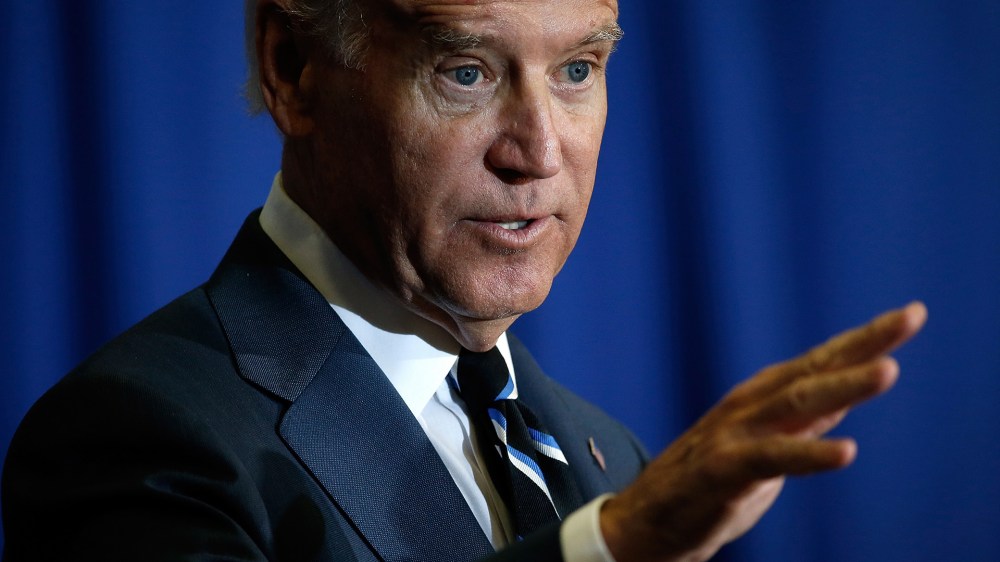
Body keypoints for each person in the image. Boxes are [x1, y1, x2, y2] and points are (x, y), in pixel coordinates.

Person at [1, 0, 927, 560]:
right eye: (467, 70)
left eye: (577, 68)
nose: (538, 152)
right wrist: (602, 551)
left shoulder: (608, 456)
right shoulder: (143, 435)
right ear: (294, 70)